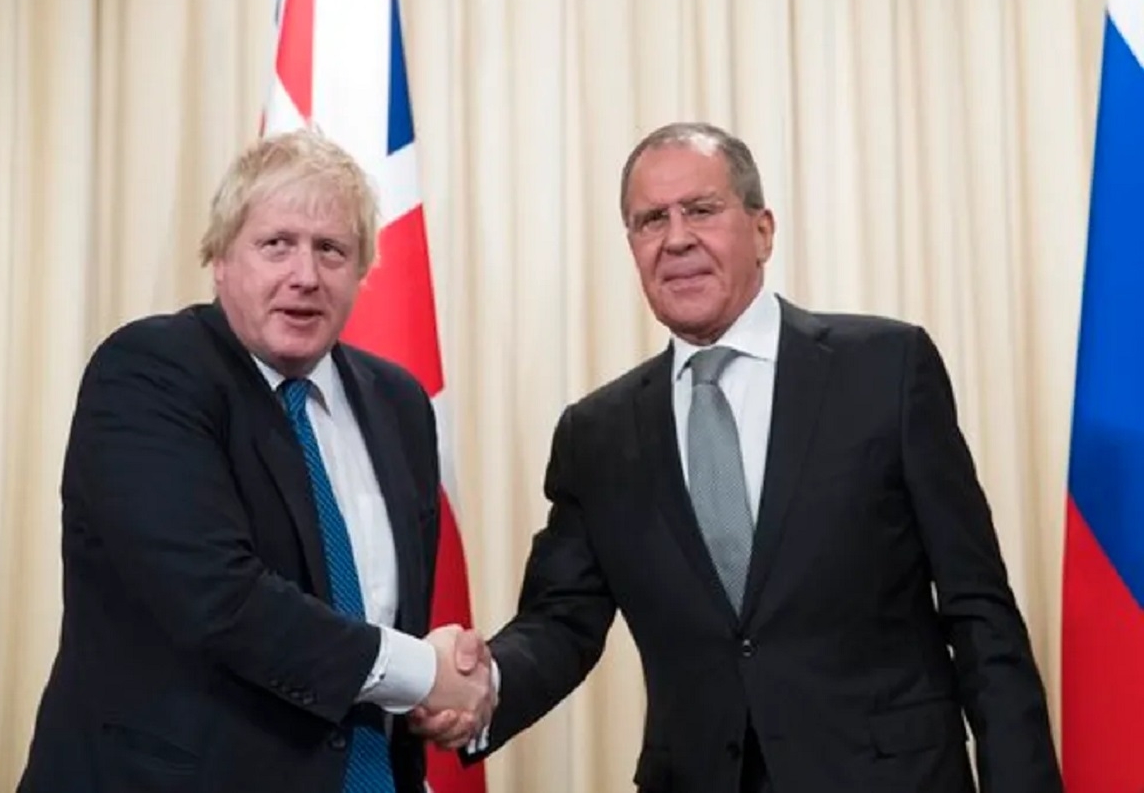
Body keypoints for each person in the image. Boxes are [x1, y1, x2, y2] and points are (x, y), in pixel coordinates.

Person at [421, 122, 1063, 791]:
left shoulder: (886, 369)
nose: (676, 239)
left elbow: (978, 609)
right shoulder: (597, 434)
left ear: (762, 230)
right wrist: (484, 683)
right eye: (651, 220)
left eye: (701, 210)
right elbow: (561, 620)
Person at [17, 128, 495, 793]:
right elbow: (220, 599)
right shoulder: (149, 373)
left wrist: (443, 696)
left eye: (331, 249)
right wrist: (424, 672)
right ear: (220, 258)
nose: (305, 275)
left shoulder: (400, 404)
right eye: (276, 244)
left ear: (362, 271)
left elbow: (390, 617)